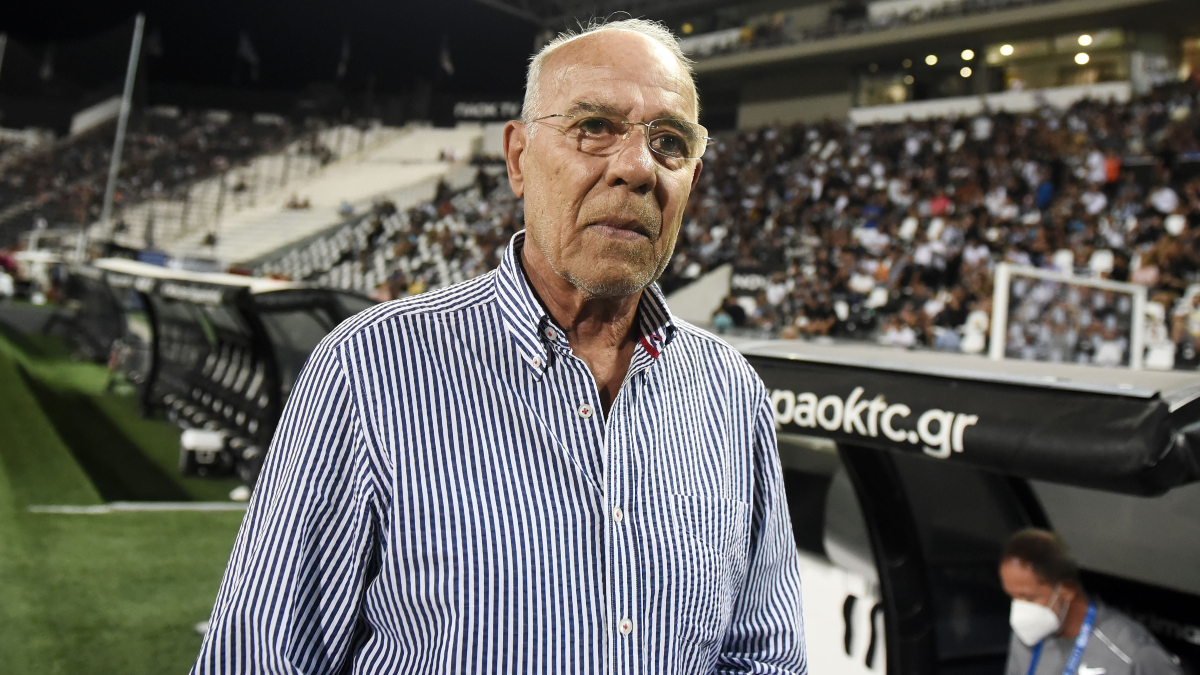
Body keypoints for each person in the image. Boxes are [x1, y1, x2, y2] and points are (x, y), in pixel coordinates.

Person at [192, 18, 805, 674]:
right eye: (594, 127)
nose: (636, 168)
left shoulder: (730, 393)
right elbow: (258, 657)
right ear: (518, 158)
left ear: (691, 179)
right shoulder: (371, 369)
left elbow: (764, 658)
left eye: (670, 142)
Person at [1000, 529, 1183, 675]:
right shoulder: (1027, 635)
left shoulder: (1132, 653)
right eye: (1013, 597)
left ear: (1067, 590)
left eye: (1029, 598)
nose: (1019, 609)